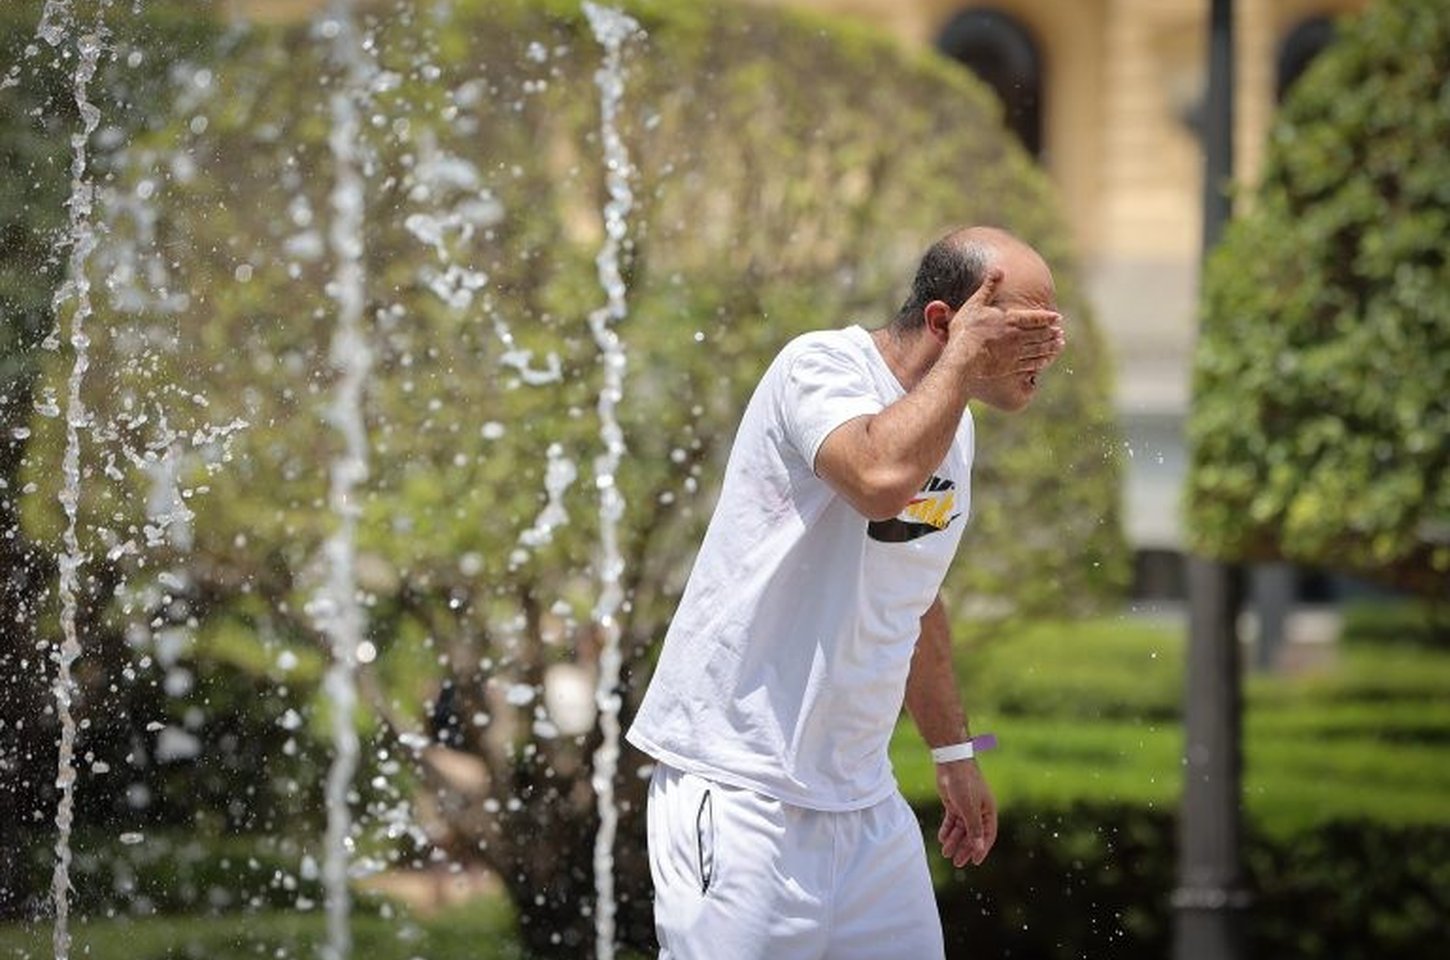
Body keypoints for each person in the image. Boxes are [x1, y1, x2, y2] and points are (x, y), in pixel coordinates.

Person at [625, 226, 1066, 959]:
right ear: (942, 322)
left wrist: (953, 750)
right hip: (741, 791)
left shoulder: (952, 430)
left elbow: (913, 592)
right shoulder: (819, 367)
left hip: (864, 807)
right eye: (1026, 328)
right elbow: (876, 482)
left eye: (1055, 330)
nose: (1049, 350)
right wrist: (961, 360)